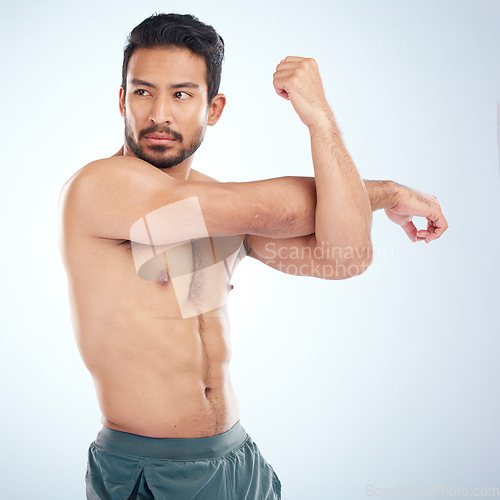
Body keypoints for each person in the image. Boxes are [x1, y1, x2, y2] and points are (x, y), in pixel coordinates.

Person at [58, 12, 448, 500]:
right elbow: (267, 210)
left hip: (238, 460)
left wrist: (320, 119)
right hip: (150, 469)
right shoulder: (100, 188)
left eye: (181, 94)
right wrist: (388, 192)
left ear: (213, 108)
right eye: (143, 91)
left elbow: (344, 255)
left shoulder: (214, 208)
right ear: (122, 100)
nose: (159, 113)